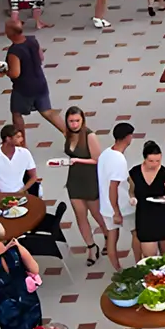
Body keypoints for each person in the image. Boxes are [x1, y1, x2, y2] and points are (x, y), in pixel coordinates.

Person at [60, 107, 111, 266]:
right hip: (74, 179)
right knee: (80, 215)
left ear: (82, 120)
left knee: (97, 214)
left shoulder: (90, 136)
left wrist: (77, 160)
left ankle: (108, 237)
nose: (74, 124)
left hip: (89, 179)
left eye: (77, 121)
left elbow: (97, 159)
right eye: (71, 121)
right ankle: (91, 247)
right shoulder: (68, 134)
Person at [2, 17, 64, 138]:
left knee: (17, 114)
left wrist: (4, 71)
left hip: (24, 88)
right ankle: (69, 133)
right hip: (40, 82)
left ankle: (21, 142)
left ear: (10, 33)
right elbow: (41, 58)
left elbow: (15, 73)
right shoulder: (32, 40)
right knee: (47, 111)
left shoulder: (14, 51)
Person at [130, 141, 165, 256]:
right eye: (151, 161)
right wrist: (132, 198)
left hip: (164, 216)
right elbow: (131, 190)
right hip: (145, 215)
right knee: (149, 254)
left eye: (158, 161)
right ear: (144, 159)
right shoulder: (134, 173)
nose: (155, 164)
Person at [98, 122, 136, 270]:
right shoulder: (119, 159)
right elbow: (113, 187)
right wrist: (117, 212)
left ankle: (118, 270)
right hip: (121, 207)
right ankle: (140, 264)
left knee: (112, 238)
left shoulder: (105, 153)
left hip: (105, 207)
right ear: (127, 137)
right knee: (137, 233)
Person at [0, 124, 39, 197]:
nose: (22, 139)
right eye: (18, 137)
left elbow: (33, 177)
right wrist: (3, 195)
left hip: (20, 194)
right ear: (8, 139)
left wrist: (21, 191)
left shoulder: (25, 153)